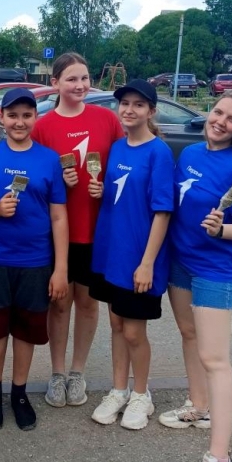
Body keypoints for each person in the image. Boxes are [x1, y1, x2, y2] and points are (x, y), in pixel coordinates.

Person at [158, 90, 232, 462]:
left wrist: (223, 229)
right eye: (218, 112)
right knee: (189, 335)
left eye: (231, 119)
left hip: (214, 271)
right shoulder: (190, 154)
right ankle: (199, 406)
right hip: (180, 261)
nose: (220, 121)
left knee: (216, 359)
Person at [0, 88, 69, 431]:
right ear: (2, 117)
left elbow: (59, 216)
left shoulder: (48, 160)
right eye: (13, 115)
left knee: (26, 329)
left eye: (27, 115)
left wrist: (61, 268)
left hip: (36, 261)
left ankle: (19, 392)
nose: (19, 122)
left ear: (35, 117)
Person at [31, 52, 124, 407]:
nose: (80, 85)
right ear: (55, 82)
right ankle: (57, 373)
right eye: (71, 79)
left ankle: (77, 372)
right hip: (57, 233)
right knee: (59, 304)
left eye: (84, 78)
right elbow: (35, 180)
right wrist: (59, 181)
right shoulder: (43, 127)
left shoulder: (106, 119)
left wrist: (107, 186)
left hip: (95, 231)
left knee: (87, 304)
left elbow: (122, 170)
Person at [87, 80, 174, 429]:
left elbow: (163, 212)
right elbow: (120, 196)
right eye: (125, 103)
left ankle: (141, 394)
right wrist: (100, 191)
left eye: (139, 104)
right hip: (111, 254)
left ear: (151, 111)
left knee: (135, 332)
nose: (129, 109)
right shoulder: (117, 147)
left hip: (139, 258)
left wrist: (147, 263)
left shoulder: (159, 153)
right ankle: (119, 389)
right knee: (116, 325)